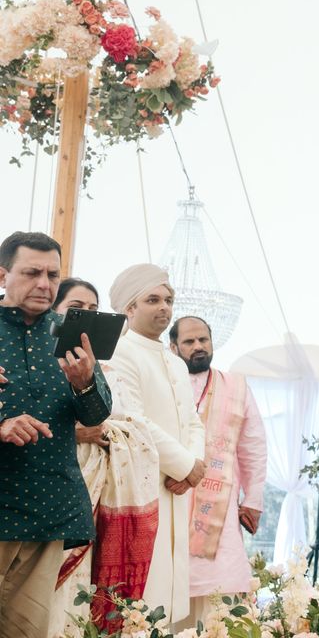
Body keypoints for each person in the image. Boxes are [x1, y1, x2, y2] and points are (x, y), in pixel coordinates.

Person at [0, 232, 111, 638]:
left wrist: (85, 383)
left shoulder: (72, 334)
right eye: (32, 273)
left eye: (52, 274)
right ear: (3, 276)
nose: (44, 284)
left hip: (48, 508)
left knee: (26, 632)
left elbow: (99, 415)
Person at [45, 280, 159, 637]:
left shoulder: (105, 371)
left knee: (80, 589)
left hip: (96, 491)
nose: (88, 317)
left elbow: (125, 423)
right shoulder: (38, 363)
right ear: (55, 311)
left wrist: (109, 433)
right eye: (77, 307)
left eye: (94, 310)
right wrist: (74, 432)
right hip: (48, 484)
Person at [105, 265, 205, 624]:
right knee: (143, 595)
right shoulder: (117, 353)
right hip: (144, 486)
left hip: (177, 487)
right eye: (152, 299)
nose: (164, 307)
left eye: (168, 300)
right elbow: (132, 419)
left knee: (173, 593)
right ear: (129, 308)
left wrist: (194, 467)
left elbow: (193, 421)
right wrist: (184, 466)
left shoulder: (175, 362)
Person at [168, 316, 267, 628]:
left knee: (221, 597)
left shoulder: (235, 386)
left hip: (219, 514)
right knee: (171, 591)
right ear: (173, 348)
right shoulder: (165, 383)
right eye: (189, 341)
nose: (198, 346)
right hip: (171, 500)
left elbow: (253, 444)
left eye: (203, 340)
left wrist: (253, 498)